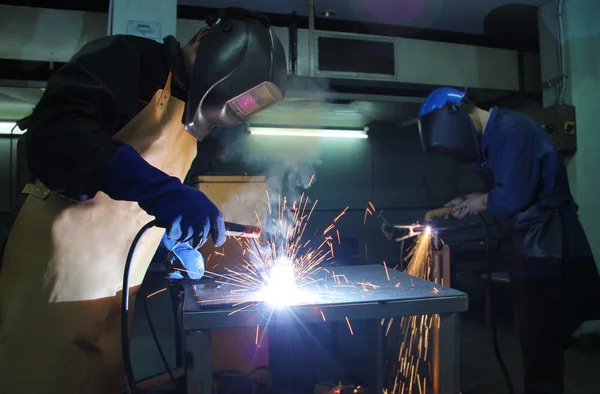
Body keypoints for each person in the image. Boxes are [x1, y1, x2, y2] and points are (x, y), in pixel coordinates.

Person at [0, 7, 286, 394]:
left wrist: (168, 243)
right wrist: (159, 189)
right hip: (50, 292)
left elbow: (132, 211)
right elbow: (55, 135)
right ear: (205, 40)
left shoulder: (191, 126)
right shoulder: (128, 59)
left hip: (115, 306)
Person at [418, 87, 600, 394]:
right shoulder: (492, 139)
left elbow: (514, 195)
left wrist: (482, 201)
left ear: (457, 115)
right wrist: (468, 200)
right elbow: (503, 192)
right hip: (530, 249)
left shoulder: (512, 131)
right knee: (534, 343)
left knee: (541, 349)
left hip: (546, 251)